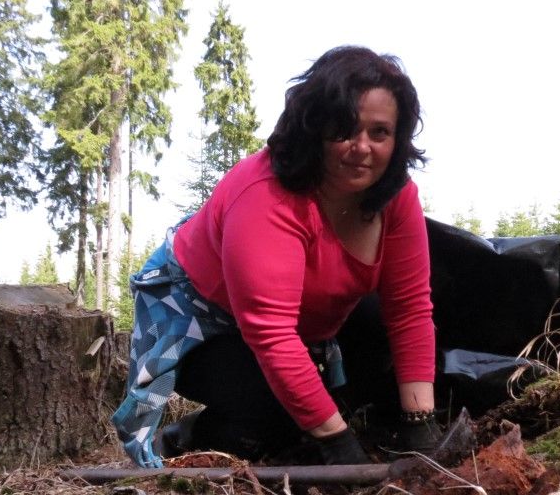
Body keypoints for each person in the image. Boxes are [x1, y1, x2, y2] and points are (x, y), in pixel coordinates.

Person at [112, 45, 442, 468]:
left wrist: (421, 423)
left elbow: (409, 309)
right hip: (204, 325)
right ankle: (192, 437)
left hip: (308, 326)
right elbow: (272, 334)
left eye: (379, 133)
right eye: (344, 130)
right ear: (314, 128)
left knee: (374, 347)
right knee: (277, 414)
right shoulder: (265, 195)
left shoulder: (396, 197)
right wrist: (339, 446)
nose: (362, 147)